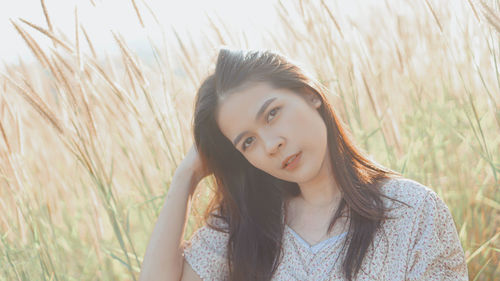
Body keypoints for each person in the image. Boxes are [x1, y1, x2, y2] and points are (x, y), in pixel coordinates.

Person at [139, 48, 469, 281]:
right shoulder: (243, 229)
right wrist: (186, 177)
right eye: (248, 142)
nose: (272, 145)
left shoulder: (413, 212)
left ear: (309, 93)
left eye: (272, 113)